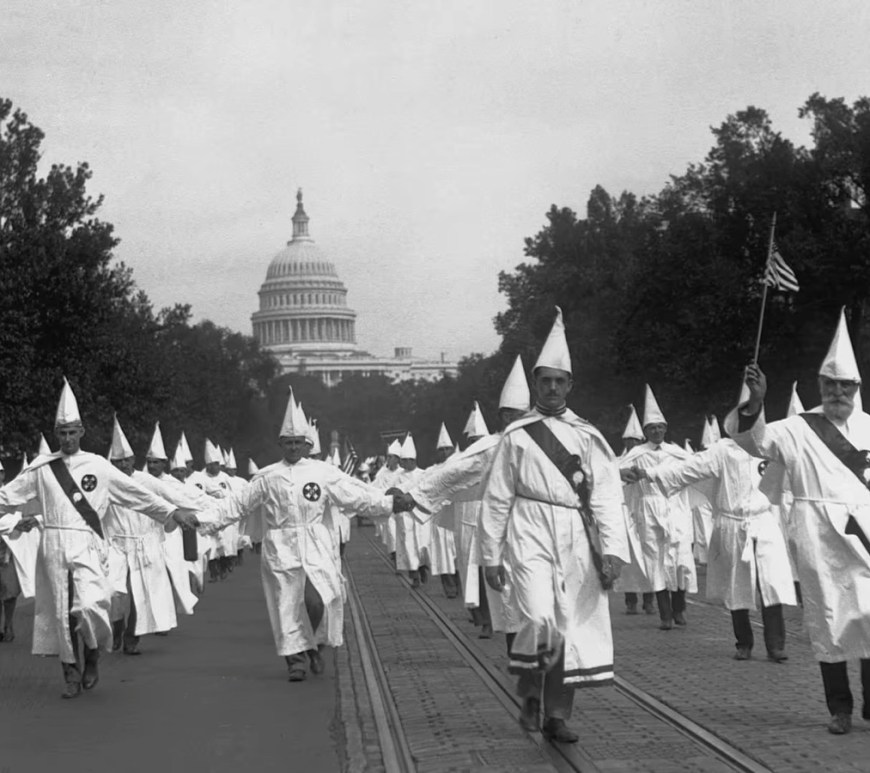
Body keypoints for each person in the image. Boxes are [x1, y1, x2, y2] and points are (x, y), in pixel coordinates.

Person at [479, 308, 629, 743]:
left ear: (569, 385)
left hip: (574, 535)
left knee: (568, 628)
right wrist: (491, 555)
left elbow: (605, 495)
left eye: (558, 381)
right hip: (528, 531)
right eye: (543, 380)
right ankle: (530, 696)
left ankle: (557, 715)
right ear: (535, 384)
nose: (550, 387)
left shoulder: (588, 436)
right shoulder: (517, 435)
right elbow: (497, 498)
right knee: (537, 617)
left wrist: (613, 549)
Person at [0, 379, 198, 698]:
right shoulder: (41, 468)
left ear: (81, 432)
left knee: (91, 606)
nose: (66, 438)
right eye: (61, 433)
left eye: (72, 432)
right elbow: (6, 496)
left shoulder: (98, 466)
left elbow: (137, 495)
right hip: (53, 545)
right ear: (56, 435)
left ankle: (92, 654)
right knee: (63, 613)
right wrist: (10, 517)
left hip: (88, 545)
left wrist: (173, 512)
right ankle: (70, 670)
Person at [726, 308, 870, 735]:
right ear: (820, 386)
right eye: (831, 384)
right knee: (829, 616)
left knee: (868, 614)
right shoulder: (798, 427)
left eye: (846, 385)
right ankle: (839, 708)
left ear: (857, 388)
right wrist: (755, 401)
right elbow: (755, 441)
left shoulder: (869, 427)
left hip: (864, 534)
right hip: (817, 534)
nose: (838, 391)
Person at [204, 391, 411, 682]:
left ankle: (311, 644)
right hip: (281, 546)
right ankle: (295, 660)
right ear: (281, 444)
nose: (292, 447)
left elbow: (356, 496)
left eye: (297, 443)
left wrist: (389, 503)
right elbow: (236, 506)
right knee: (286, 604)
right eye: (287, 443)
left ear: (306, 444)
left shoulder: (323, 472)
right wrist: (202, 521)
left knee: (317, 601)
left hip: (316, 542)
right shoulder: (267, 477)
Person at [633, 432, 796, 661]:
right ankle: (744, 642)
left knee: (771, 584)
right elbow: (688, 468)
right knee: (736, 585)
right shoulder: (722, 450)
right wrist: (649, 473)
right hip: (732, 524)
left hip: (763, 521)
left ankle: (776, 644)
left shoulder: (772, 446)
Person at [406, 356, 530, 638]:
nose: (516, 420)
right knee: (484, 571)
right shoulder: (488, 449)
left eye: (522, 414)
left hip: (529, 526)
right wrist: (413, 497)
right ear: (503, 417)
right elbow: (450, 475)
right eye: (510, 414)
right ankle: (490, 623)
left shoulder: (541, 444)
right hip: (487, 520)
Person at [620, 385, 698, 630]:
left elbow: (693, 472)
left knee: (681, 561)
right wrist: (626, 475)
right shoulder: (636, 453)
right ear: (645, 431)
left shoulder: (677, 453)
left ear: (665, 428)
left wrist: (654, 474)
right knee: (656, 562)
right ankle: (665, 614)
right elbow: (616, 473)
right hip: (649, 510)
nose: (656, 431)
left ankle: (679, 608)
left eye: (660, 427)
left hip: (676, 509)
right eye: (651, 428)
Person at [614, 404, 654, 615]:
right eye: (629, 441)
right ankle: (631, 600)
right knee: (628, 561)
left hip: (645, 514)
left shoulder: (648, 461)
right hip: (624, 516)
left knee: (648, 558)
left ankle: (649, 599)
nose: (632, 444)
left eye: (636, 441)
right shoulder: (617, 462)